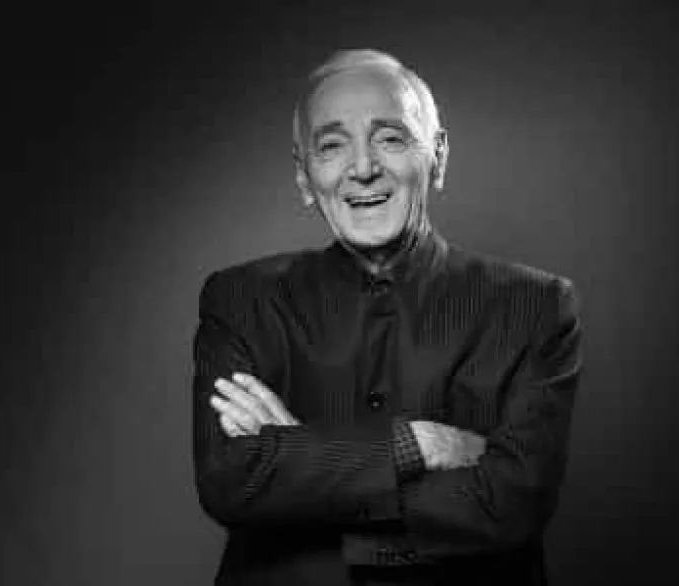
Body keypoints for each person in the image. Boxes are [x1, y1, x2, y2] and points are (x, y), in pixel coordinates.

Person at [192, 49, 583, 586]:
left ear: (438, 157)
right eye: (332, 146)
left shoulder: (535, 306)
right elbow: (231, 480)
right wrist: (416, 445)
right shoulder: (240, 299)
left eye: (391, 138)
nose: (362, 169)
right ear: (304, 177)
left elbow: (510, 504)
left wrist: (303, 458)